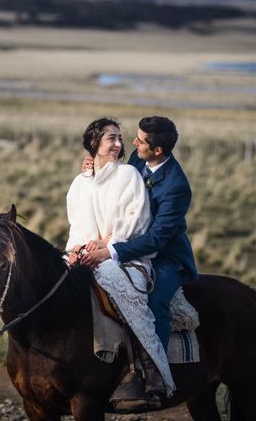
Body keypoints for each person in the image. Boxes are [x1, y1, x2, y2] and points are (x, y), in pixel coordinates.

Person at [66, 117, 175, 410]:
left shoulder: (129, 175)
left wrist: (106, 246)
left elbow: (134, 222)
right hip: (90, 251)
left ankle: (146, 373)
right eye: (110, 139)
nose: (118, 144)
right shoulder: (80, 183)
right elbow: (78, 224)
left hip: (127, 256)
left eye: (119, 139)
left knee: (117, 284)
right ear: (93, 145)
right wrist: (76, 249)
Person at [80, 116, 198, 354]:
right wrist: (94, 164)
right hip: (123, 240)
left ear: (157, 150)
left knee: (155, 304)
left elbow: (156, 238)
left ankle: (155, 369)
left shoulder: (176, 187)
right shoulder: (138, 157)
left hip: (164, 256)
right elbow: (116, 176)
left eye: (140, 141)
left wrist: (110, 251)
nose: (133, 143)